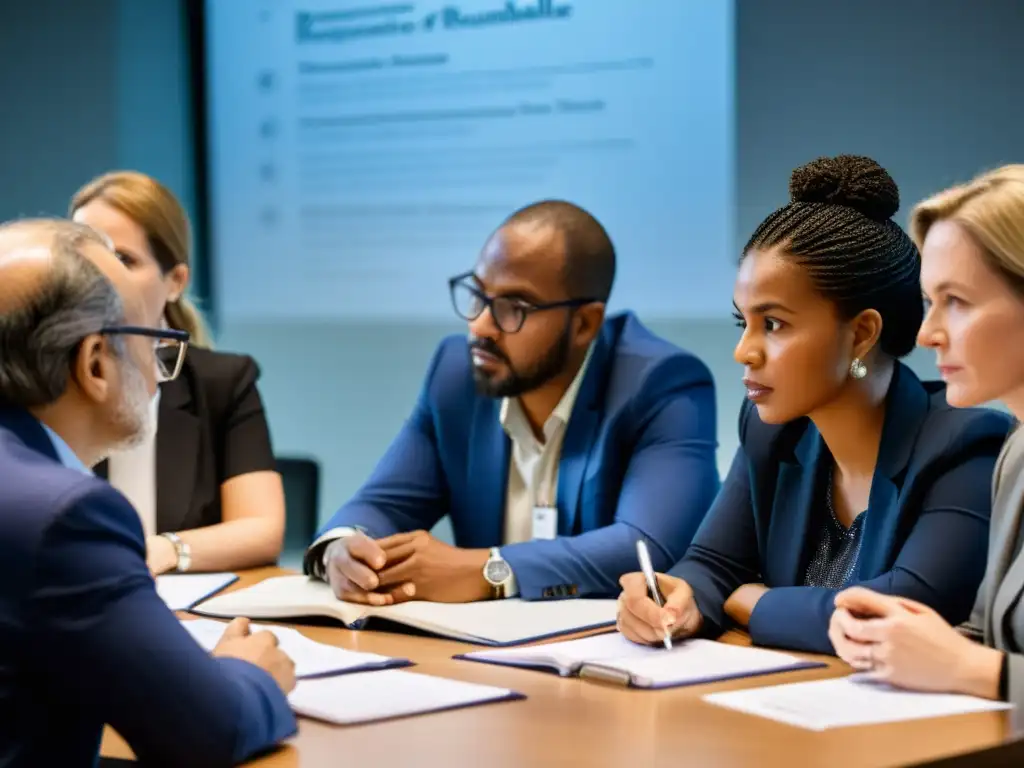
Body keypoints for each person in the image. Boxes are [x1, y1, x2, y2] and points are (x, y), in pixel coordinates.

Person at [616, 155, 1012, 654]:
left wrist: (751, 603)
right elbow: (713, 564)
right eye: (744, 323)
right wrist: (679, 601)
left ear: (862, 333)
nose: (744, 351)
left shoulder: (967, 446)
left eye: (774, 324)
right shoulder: (771, 430)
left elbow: (901, 612)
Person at [304, 200, 720, 603]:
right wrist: (344, 548)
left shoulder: (663, 384)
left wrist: (489, 570)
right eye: (477, 295)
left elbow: (646, 546)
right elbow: (381, 504)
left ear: (584, 324)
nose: (480, 325)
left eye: (512, 306)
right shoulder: (456, 372)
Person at [0, 218, 296, 767]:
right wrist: (249, 671)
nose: (161, 368)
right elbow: (208, 731)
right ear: (94, 365)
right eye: (147, 334)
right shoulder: (63, 516)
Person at [830, 165, 1024, 703]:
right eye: (928, 302)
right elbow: (990, 636)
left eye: (956, 301)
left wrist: (974, 670)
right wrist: (892, 639)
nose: (927, 334)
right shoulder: (1018, 451)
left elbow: (987, 664)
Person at [70, 171, 285, 575]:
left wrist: (162, 551)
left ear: (176, 281)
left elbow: (261, 530)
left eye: (122, 260)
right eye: (84, 261)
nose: (98, 280)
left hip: (185, 607)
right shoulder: (49, 382)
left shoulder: (223, 381)